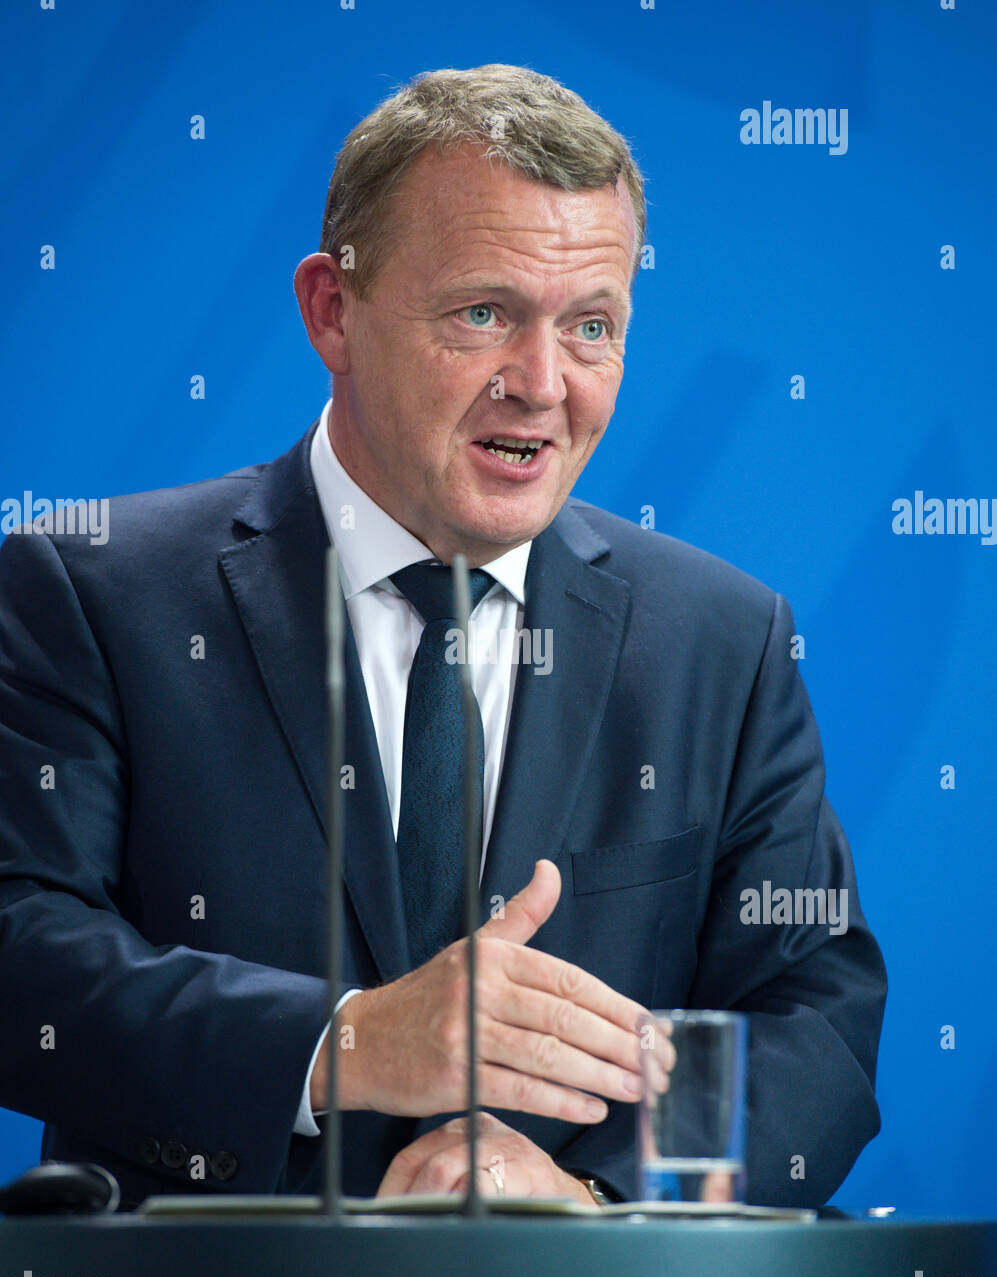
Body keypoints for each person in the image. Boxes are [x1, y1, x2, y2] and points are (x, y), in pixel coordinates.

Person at [0, 64, 886, 1211]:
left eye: (590, 326)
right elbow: (21, 946)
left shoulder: (724, 639)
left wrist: (583, 1188)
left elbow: (812, 1015)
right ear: (333, 310)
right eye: (483, 313)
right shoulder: (91, 589)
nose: (542, 384)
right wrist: (351, 1042)